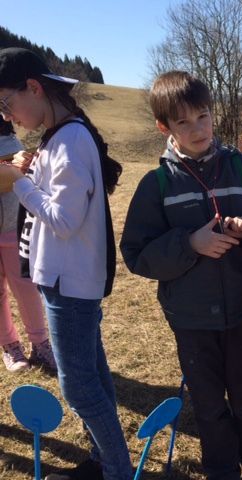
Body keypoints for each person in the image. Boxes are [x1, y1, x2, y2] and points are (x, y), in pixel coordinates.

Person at [120, 70, 242, 480]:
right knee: (208, 406)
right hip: (191, 320)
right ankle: (221, 469)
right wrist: (190, 245)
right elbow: (136, 254)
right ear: (164, 127)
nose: (198, 128)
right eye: (183, 121)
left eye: (203, 116)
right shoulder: (156, 185)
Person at [0, 48, 131, 480]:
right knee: (93, 377)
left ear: (34, 88)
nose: (10, 117)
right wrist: (30, 171)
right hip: (67, 280)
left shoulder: (71, 139)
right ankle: (103, 461)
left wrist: (18, 182)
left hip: (71, 284)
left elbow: (63, 219)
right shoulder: (60, 136)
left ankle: (115, 470)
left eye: (8, 104)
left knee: (79, 389)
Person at [0, 117, 54, 373]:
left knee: (27, 289)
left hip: (14, 228)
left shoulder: (11, 141)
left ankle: (40, 343)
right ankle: (10, 346)